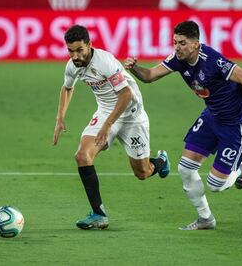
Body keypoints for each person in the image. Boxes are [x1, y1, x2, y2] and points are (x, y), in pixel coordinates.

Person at [125, 20, 242, 230]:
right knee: (185, 169)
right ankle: (205, 219)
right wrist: (134, 68)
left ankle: (239, 167)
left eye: (182, 43)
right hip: (211, 117)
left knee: (215, 185)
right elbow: (150, 76)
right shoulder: (177, 59)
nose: (177, 47)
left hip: (235, 123)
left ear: (196, 44)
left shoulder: (213, 60)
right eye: (175, 42)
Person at [52, 25, 170, 230]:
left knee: (142, 173)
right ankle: (99, 214)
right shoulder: (72, 66)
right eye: (71, 50)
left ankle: (161, 161)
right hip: (106, 111)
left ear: (90, 45)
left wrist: (107, 126)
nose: (75, 55)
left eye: (80, 49)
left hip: (132, 115)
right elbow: (67, 87)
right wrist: (60, 117)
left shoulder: (104, 61)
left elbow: (126, 95)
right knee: (82, 156)